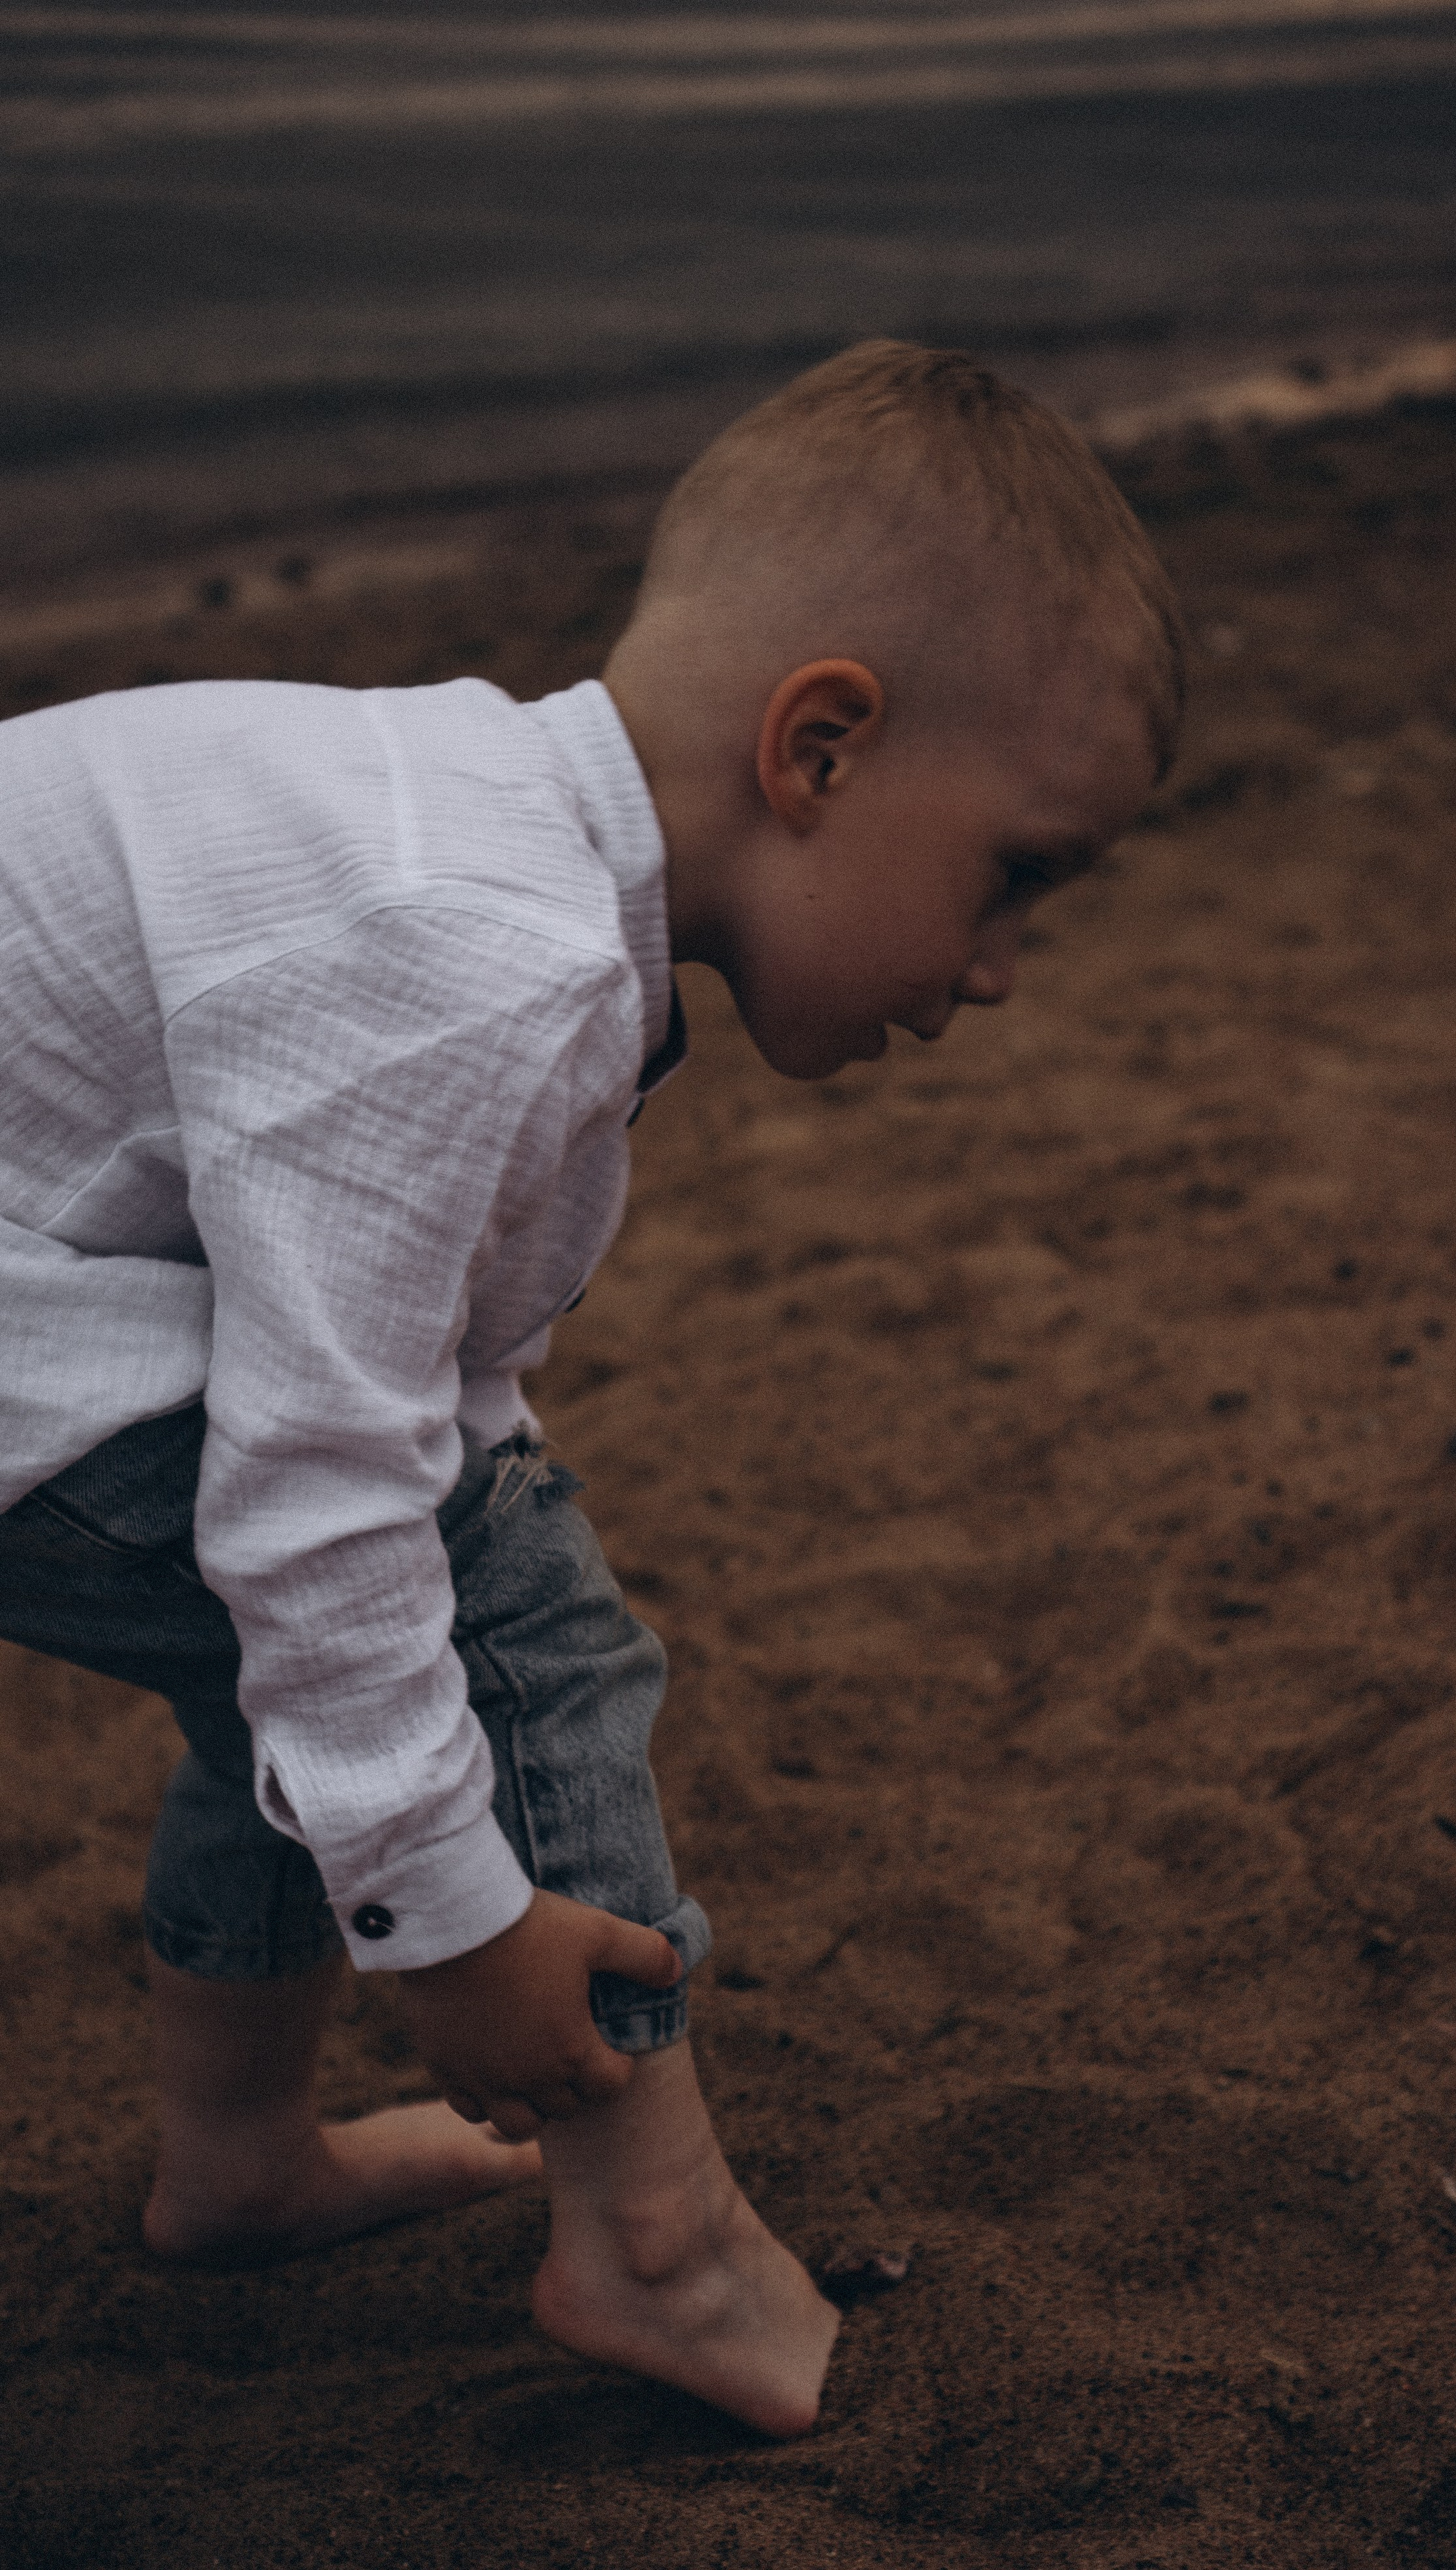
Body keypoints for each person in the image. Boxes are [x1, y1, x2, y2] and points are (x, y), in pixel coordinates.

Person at [0, 341, 1184, 2437]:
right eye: (1017, 874)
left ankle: (242, 2164)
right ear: (820, 745)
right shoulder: (483, 955)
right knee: (495, 1616)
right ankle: (656, 2239)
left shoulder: (479, 852)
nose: (1001, 967)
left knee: (342, 1637)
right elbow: (324, 1490)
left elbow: (396, 1366)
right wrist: (449, 1914)